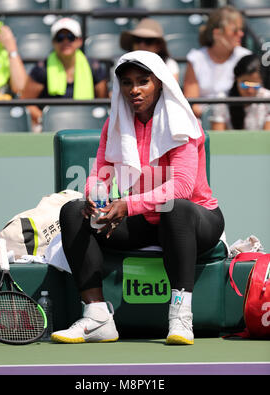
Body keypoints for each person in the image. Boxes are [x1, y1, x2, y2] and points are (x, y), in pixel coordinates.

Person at [50, 50, 225, 346]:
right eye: (127, 83)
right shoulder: (114, 124)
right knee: (73, 211)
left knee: (176, 209)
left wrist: (127, 205)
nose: (135, 90)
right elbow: (99, 175)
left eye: (143, 81)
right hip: (143, 219)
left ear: (159, 83)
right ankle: (97, 317)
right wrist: (94, 196)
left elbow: (181, 187)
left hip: (195, 219)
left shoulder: (184, 122)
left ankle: (181, 317)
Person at [21, 17, 109, 132]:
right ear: (53, 42)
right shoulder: (41, 69)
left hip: (87, 126)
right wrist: (46, 120)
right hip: (52, 129)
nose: (65, 42)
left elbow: (102, 102)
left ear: (79, 41)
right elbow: (26, 102)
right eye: (60, 38)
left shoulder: (94, 67)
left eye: (71, 37)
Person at [183, 5, 251, 120]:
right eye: (235, 31)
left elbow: (250, 95)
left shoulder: (245, 57)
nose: (241, 34)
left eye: (241, 29)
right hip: (204, 123)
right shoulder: (196, 59)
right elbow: (191, 103)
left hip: (237, 122)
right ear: (217, 33)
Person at [211, 54, 270, 130]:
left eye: (255, 85)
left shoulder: (267, 98)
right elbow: (217, 137)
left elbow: (267, 138)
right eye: (245, 84)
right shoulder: (222, 99)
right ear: (236, 79)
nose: (250, 90)